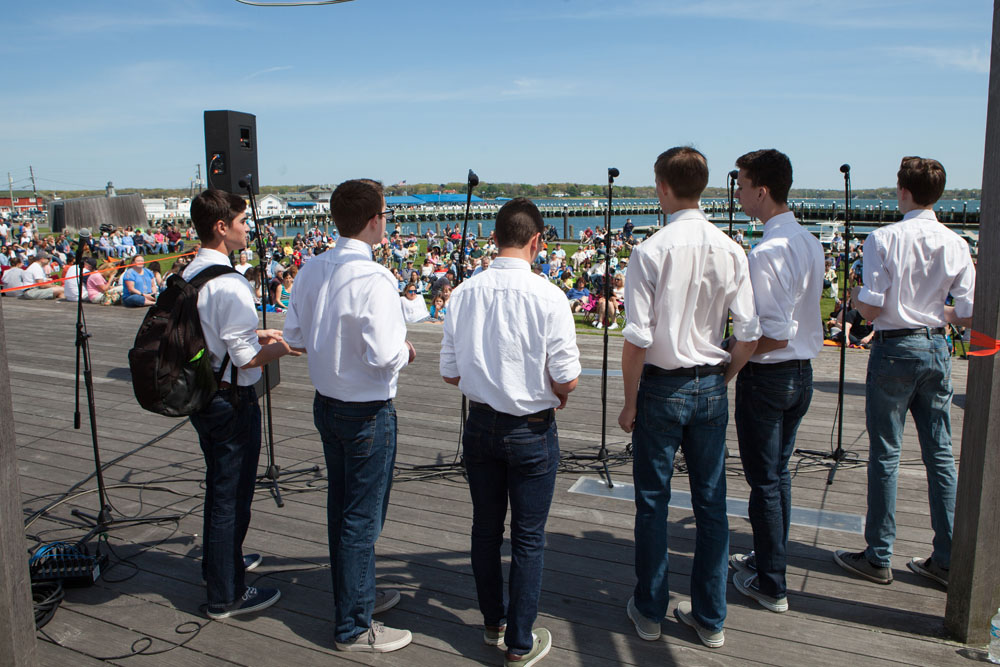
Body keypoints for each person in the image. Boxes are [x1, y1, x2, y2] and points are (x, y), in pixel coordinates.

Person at [619, 147, 759, 650]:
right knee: (712, 504)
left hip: (661, 384)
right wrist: (726, 376)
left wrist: (629, 402)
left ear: (662, 187)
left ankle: (651, 610)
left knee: (653, 504)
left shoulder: (651, 250)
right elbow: (748, 333)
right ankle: (710, 617)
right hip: (708, 383)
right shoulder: (731, 247)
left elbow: (637, 339)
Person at [441, 197, 580, 666]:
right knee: (527, 537)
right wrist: (553, 392)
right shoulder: (550, 296)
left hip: (480, 423)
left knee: (485, 529)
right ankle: (519, 642)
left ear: (494, 237)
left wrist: (489, 379)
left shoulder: (462, 293)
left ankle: (491, 622)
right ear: (537, 240)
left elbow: (450, 373)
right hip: (532, 429)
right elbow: (567, 378)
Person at [283, 179, 414, 653]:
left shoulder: (311, 268)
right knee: (361, 519)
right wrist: (405, 351)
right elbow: (383, 355)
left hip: (327, 405)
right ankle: (354, 627)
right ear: (375, 218)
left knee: (343, 511)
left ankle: (358, 597)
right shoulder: (375, 278)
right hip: (366, 412)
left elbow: (294, 338)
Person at [833, 156, 975, 587]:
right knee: (940, 455)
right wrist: (934, 310)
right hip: (936, 344)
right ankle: (947, 557)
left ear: (904, 191)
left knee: (886, 455)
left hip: (895, 348)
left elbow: (874, 307)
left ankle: (878, 555)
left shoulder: (883, 238)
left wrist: (857, 299)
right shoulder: (956, 242)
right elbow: (967, 312)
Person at [184, 189, 298, 620]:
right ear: (221, 226)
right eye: (242, 221)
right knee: (231, 495)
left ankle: (220, 564)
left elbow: (217, 337)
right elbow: (247, 358)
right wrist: (285, 346)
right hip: (230, 401)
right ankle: (226, 593)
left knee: (219, 486)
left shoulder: (193, 272)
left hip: (202, 393)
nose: (247, 228)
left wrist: (257, 338)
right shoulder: (230, 284)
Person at [728, 149, 824, 614]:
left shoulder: (768, 251)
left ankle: (771, 583)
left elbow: (772, 332)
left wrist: (733, 357)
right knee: (777, 474)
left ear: (761, 191)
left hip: (769, 377)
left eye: (742, 184)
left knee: (764, 481)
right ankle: (771, 559)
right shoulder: (808, 240)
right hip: (802, 374)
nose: (739, 192)